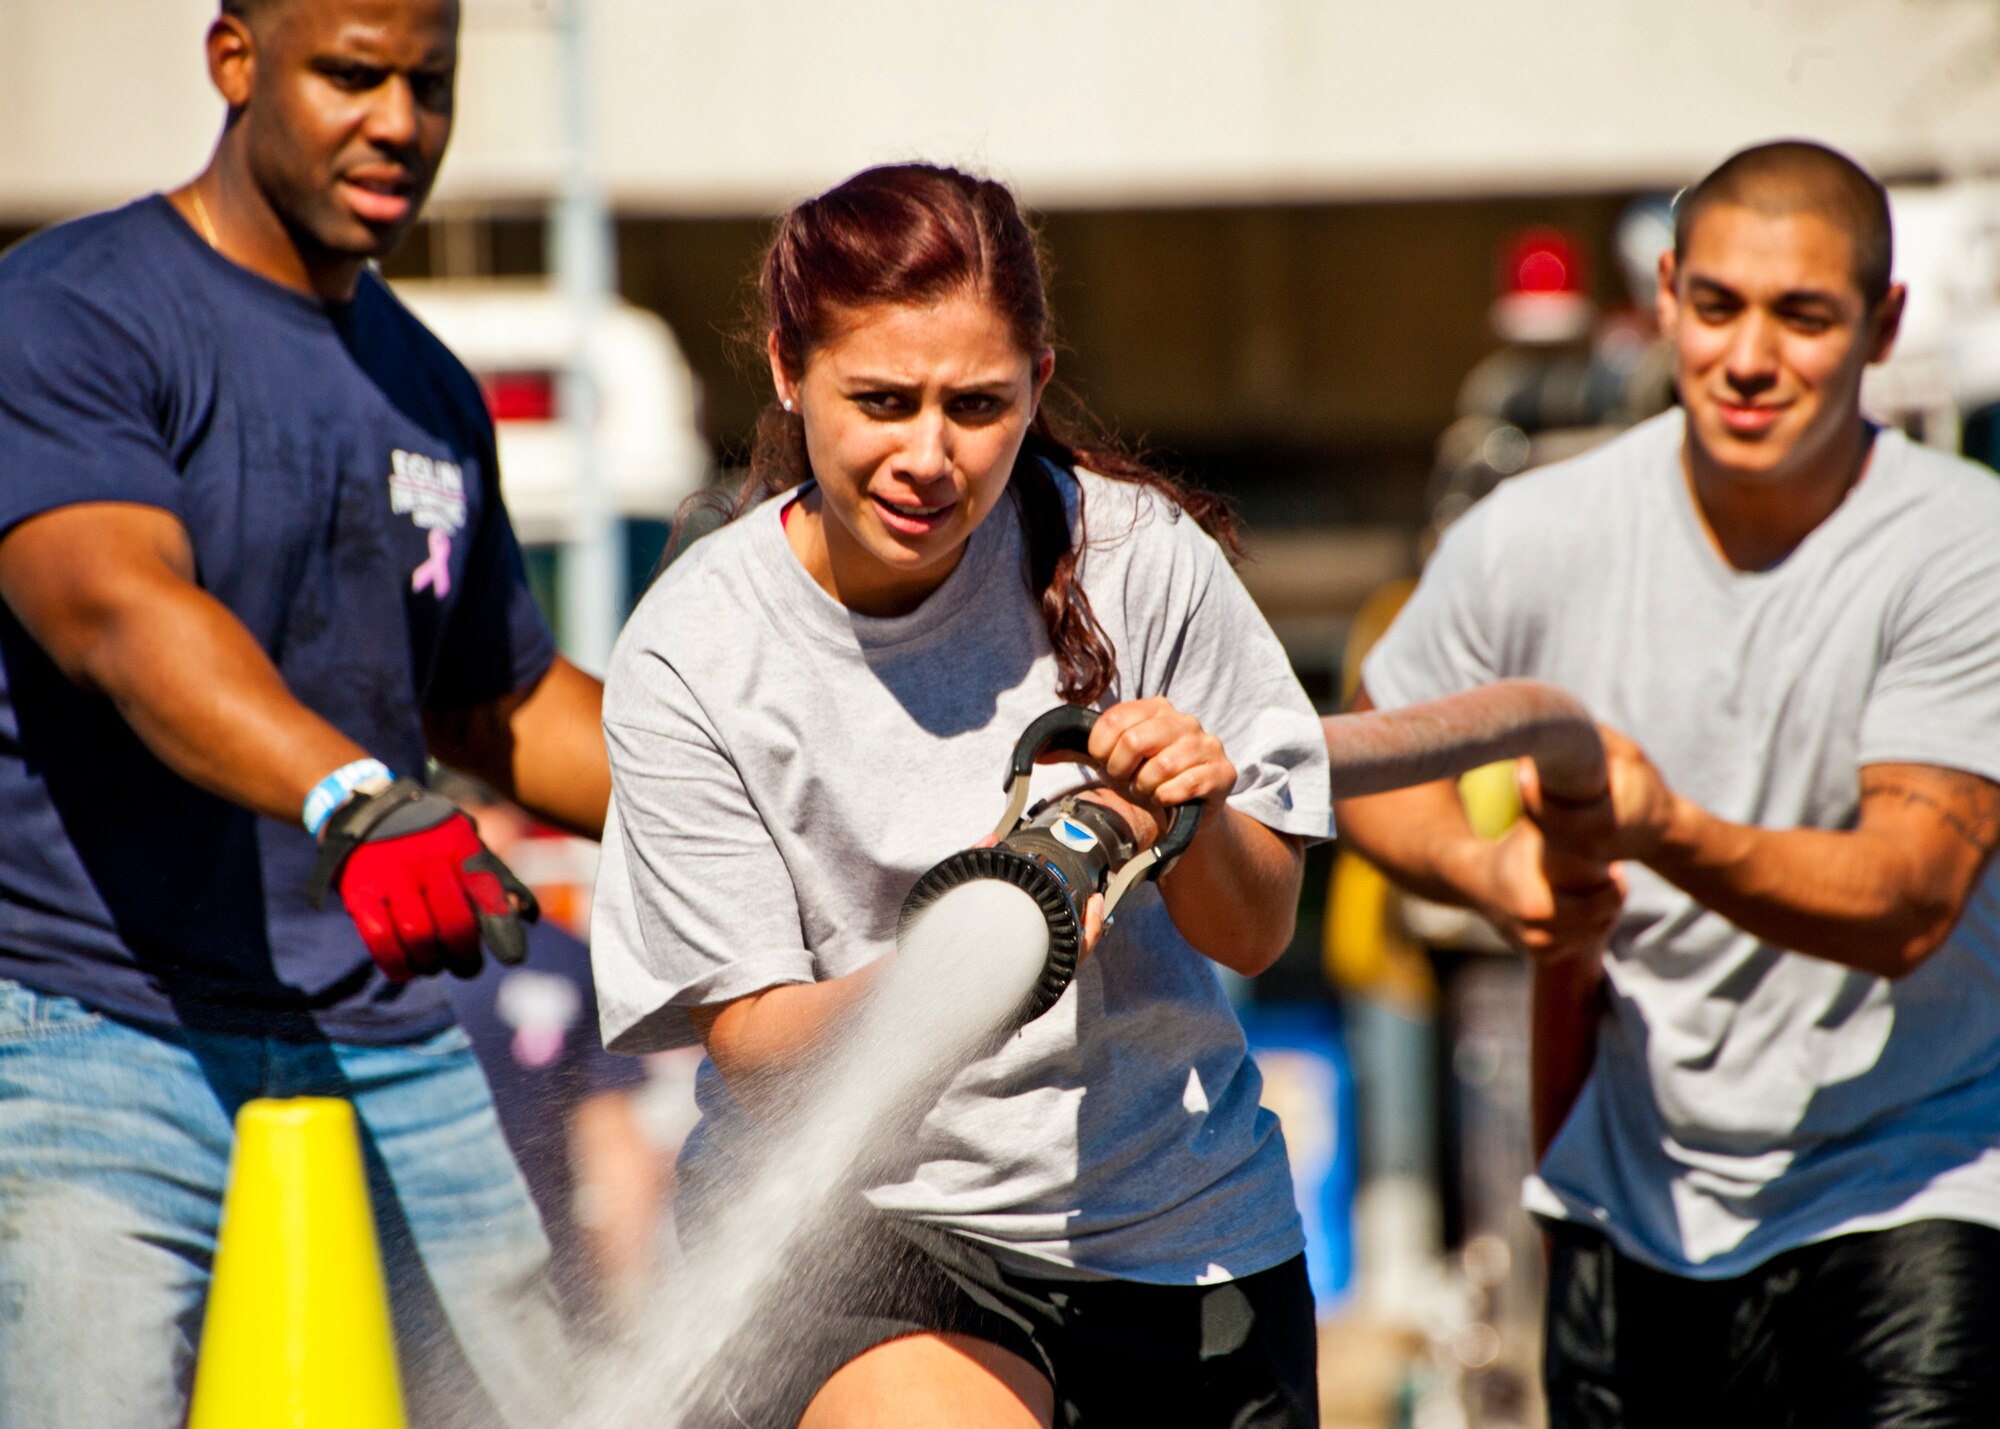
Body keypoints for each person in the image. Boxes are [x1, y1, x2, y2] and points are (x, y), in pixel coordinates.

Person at [594, 163, 1332, 1428]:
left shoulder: (1142, 563)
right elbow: (756, 1046)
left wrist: (1190, 813)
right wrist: (975, 947)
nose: (927, 458)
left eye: (976, 406)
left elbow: (1256, 931)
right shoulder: (692, 650)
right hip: (868, 1235)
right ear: (785, 367)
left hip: (1178, 1232)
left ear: (1038, 384)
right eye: (878, 400)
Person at [0, 1, 609, 1425]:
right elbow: (116, 614)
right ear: (234, 61)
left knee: (543, 1405)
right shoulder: (69, 308)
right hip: (95, 1025)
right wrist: (359, 799)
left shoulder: (432, 390)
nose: (399, 121)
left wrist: (777, 806)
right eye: (352, 73)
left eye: (430, 83)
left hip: (380, 1032)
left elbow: (503, 699)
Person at [1335, 140, 2000, 1426]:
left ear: (1883, 323)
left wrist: (1662, 828)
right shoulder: (1534, 533)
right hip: (1628, 1203)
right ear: (1664, 294)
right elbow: (1373, 757)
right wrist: (1487, 873)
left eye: (1801, 316)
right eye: (1716, 307)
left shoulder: (1961, 547)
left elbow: (1905, 899)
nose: (1747, 357)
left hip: (1914, 1184)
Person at [435, 775, 663, 1339]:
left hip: (542, 1279)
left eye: (476, 817)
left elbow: (611, 1142)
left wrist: (624, 1299)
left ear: (510, 826)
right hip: (390, 1264)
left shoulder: (563, 957)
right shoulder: (362, 962)